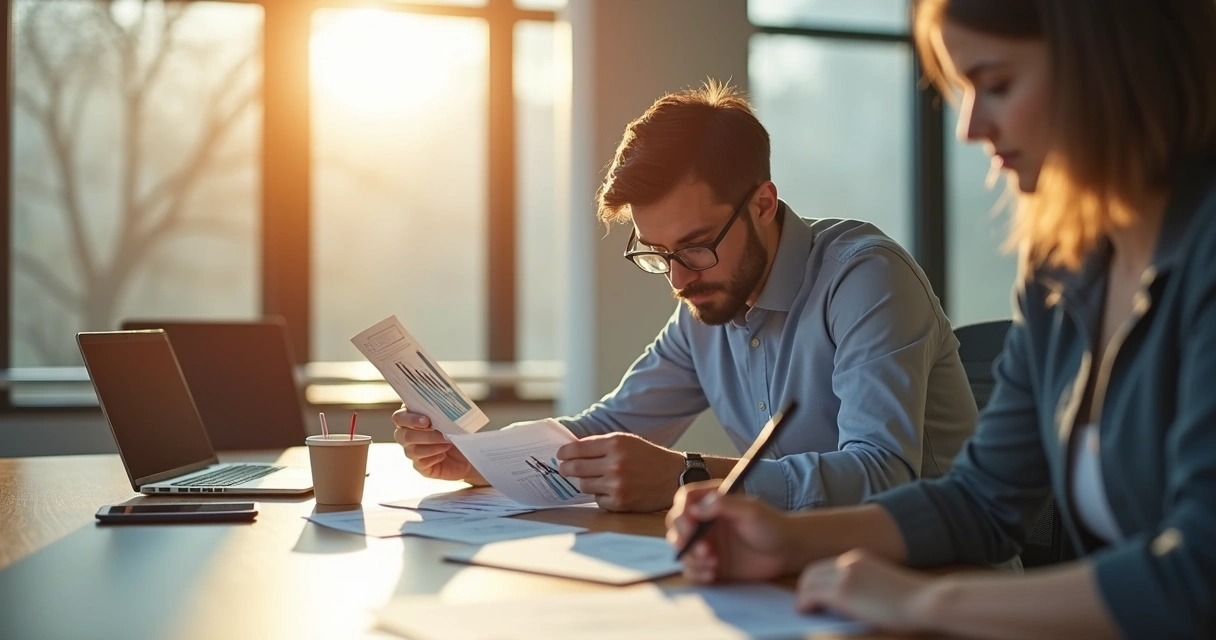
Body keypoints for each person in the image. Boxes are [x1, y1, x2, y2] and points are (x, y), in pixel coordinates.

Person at [667, 1, 1216, 638]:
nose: (970, 127)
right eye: (964, 89)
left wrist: (922, 603)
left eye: (999, 84)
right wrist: (787, 539)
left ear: (1113, 65)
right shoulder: (1062, 265)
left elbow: (1198, 575)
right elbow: (983, 500)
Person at [394, 81, 976, 513]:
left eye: (696, 246)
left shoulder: (867, 279)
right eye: (656, 252)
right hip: (798, 576)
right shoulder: (705, 300)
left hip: (938, 586)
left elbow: (884, 477)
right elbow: (612, 425)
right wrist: (483, 458)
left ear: (764, 205)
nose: (677, 279)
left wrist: (688, 475)